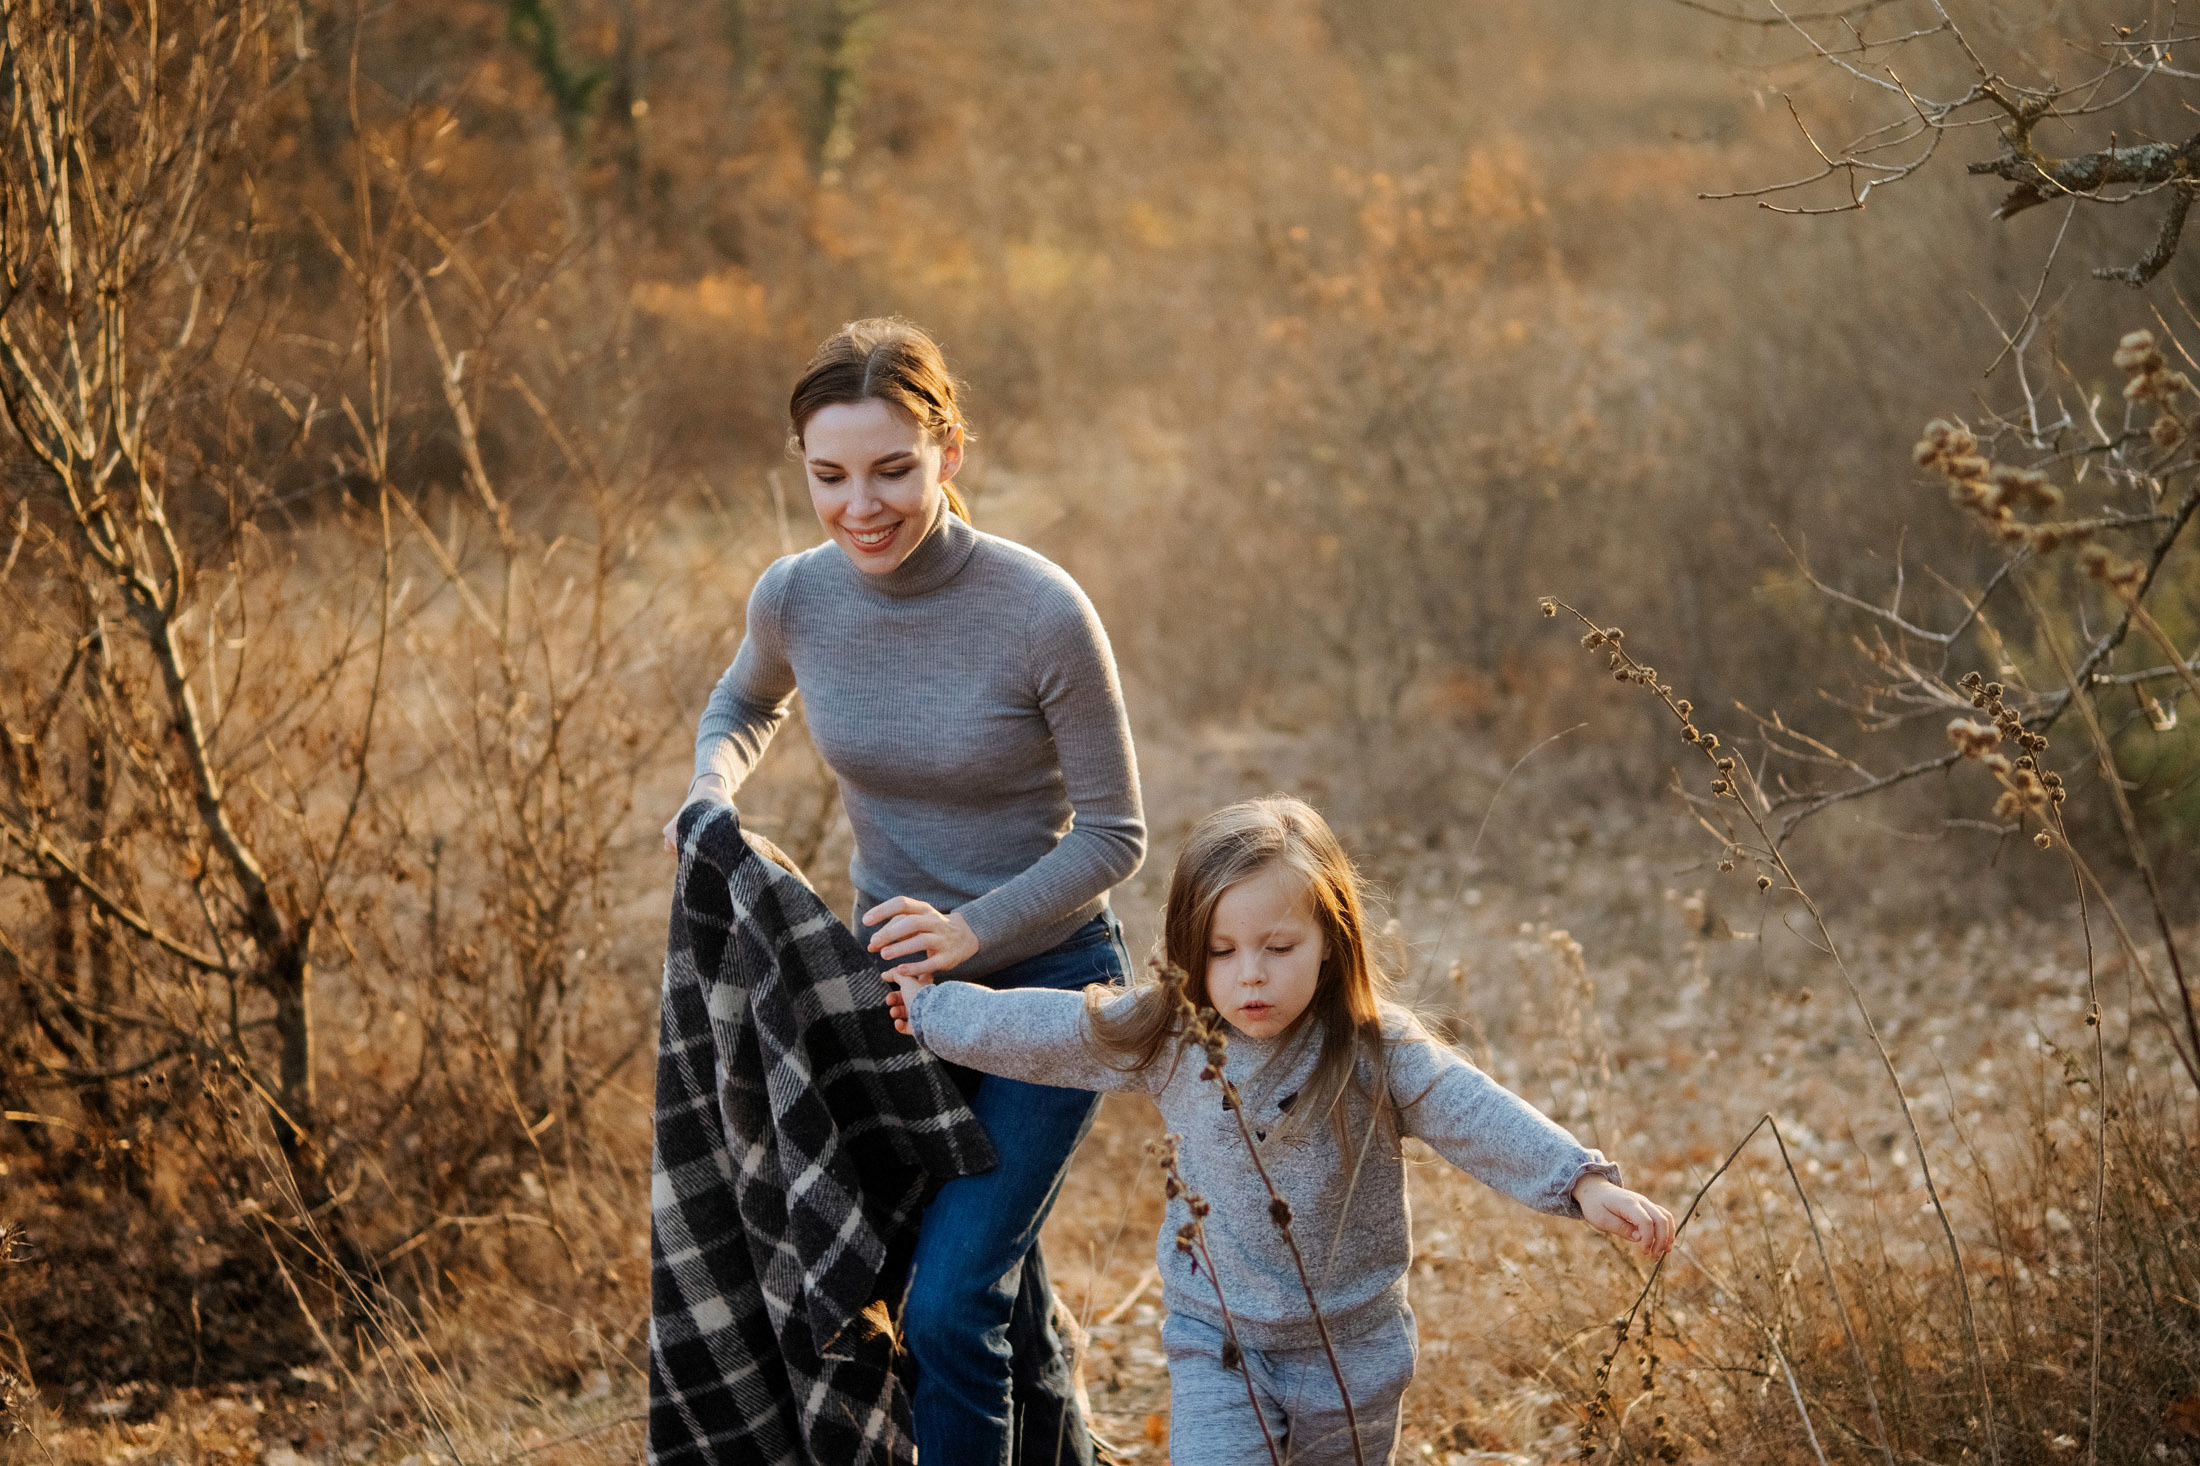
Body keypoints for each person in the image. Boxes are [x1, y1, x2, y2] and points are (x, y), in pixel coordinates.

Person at [664, 318, 1145, 1465]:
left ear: (950, 453)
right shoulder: (796, 596)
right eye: (828, 475)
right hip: (894, 1004)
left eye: (893, 469)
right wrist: (708, 794)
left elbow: (1118, 835)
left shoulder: (1039, 608)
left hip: (1046, 991)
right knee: (997, 1282)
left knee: (943, 1305)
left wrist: (971, 925)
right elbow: (741, 707)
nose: (860, 505)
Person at [884, 796, 1675, 1466]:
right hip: (1216, 1344)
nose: (1250, 974)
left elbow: (1475, 1110)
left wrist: (1580, 1181)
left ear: (1332, 943)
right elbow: (1054, 1027)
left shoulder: (1377, 1049)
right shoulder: (1174, 1036)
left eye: (1278, 947)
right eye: (1222, 952)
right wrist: (933, 1010)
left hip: (1354, 1351)